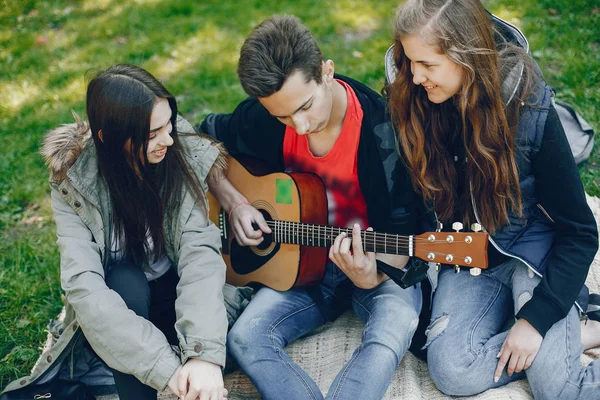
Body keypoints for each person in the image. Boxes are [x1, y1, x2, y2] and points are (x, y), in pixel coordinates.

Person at [385, 0, 600, 398]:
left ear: (466, 56)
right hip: (466, 259)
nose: (415, 77)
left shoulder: (530, 111)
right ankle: (577, 333)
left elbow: (582, 232)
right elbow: (407, 207)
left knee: (560, 388)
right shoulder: (412, 105)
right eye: (409, 61)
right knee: (454, 372)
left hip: (533, 254)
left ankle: (563, 330)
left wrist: (534, 321)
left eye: (427, 65)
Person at [202, 15, 424, 400]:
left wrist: (372, 276)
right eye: (283, 116)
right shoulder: (266, 118)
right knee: (245, 337)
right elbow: (202, 136)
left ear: (327, 72)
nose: (299, 126)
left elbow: (410, 232)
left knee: (393, 327)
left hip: (375, 264)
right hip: (299, 265)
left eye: (305, 106)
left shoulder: (387, 133)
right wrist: (232, 199)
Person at [1, 65, 234, 400]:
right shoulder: (74, 182)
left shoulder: (179, 153)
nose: (167, 139)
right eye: (152, 134)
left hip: (179, 294)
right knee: (125, 279)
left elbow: (200, 253)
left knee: (213, 354)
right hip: (123, 311)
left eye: (168, 124)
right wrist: (166, 370)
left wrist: (203, 355)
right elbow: (84, 288)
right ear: (108, 139)